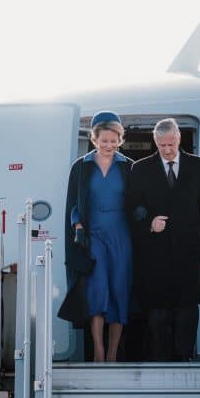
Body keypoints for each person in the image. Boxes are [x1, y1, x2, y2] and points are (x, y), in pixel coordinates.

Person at [127, 118, 200, 361]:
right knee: (158, 312)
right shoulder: (140, 168)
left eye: (170, 144)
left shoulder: (198, 166)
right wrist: (149, 223)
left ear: (178, 139)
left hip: (189, 248)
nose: (167, 150)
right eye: (162, 145)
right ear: (155, 142)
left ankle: (183, 359)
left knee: (188, 308)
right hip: (155, 251)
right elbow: (133, 207)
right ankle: (161, 361)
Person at [61, 111, 134, 362]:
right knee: (97, 291)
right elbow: (73, 203)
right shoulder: (81, 166)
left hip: (121, 235)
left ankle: (113, 353)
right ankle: (99, 352)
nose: (109, 145)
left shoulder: (128, 166)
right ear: (94, 139)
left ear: (120, 140)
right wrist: (78, 226)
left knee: (119, 291)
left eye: (114, 141)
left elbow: (138, 200)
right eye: (104, 141)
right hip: (93, 236)